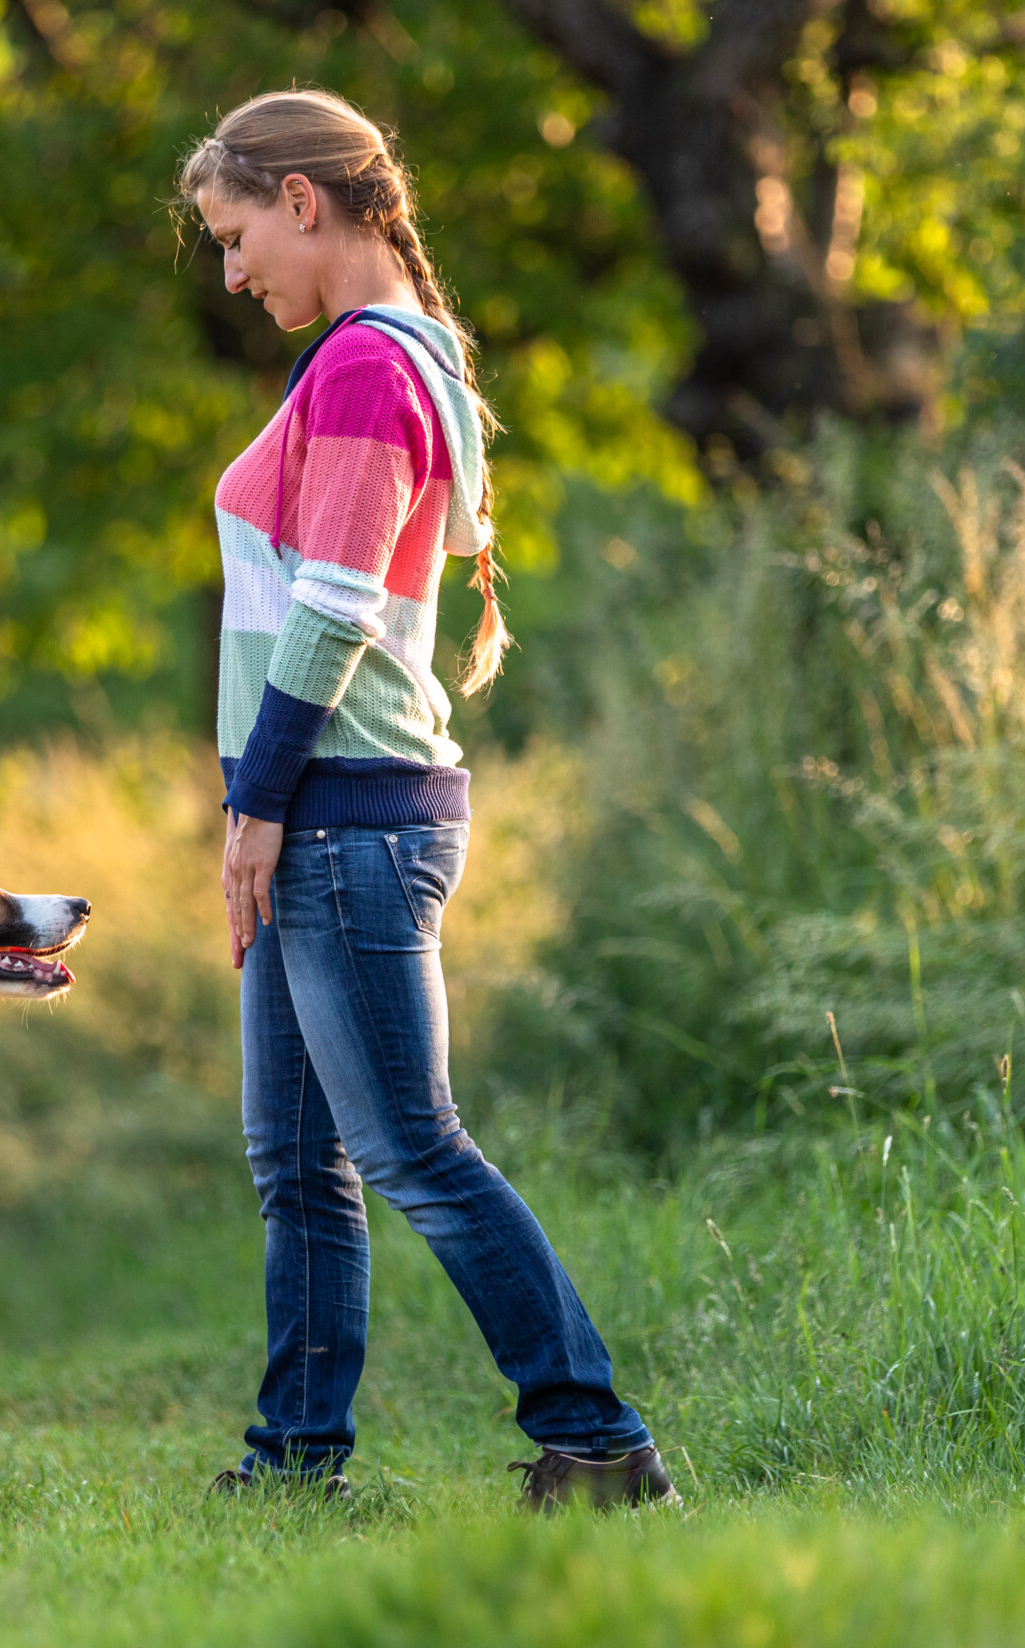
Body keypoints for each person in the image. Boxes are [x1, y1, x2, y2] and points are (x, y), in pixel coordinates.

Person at [179, 89, 677, 1512]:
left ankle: (597, 1437)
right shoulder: (389, 356)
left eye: (233, 237)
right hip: (320, 805)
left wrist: (258, 804)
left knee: (408, 1146)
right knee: (298, 1162)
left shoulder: (361, 366)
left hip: (344, 813)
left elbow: (332, 610)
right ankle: (295, 1459)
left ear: (301, 200)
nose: (231, 275)